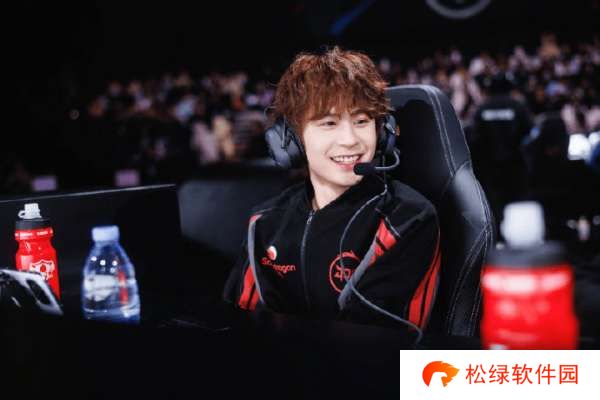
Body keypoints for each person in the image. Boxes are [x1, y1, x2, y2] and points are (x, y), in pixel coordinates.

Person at [223, 47, 441, 331]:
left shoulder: (407, 220)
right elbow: (238, 326)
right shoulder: (264, 224)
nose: (350, 139)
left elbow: (377, 342)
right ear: (292, 140)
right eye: (329, 123)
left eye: (362, 121)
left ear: (382, 132)